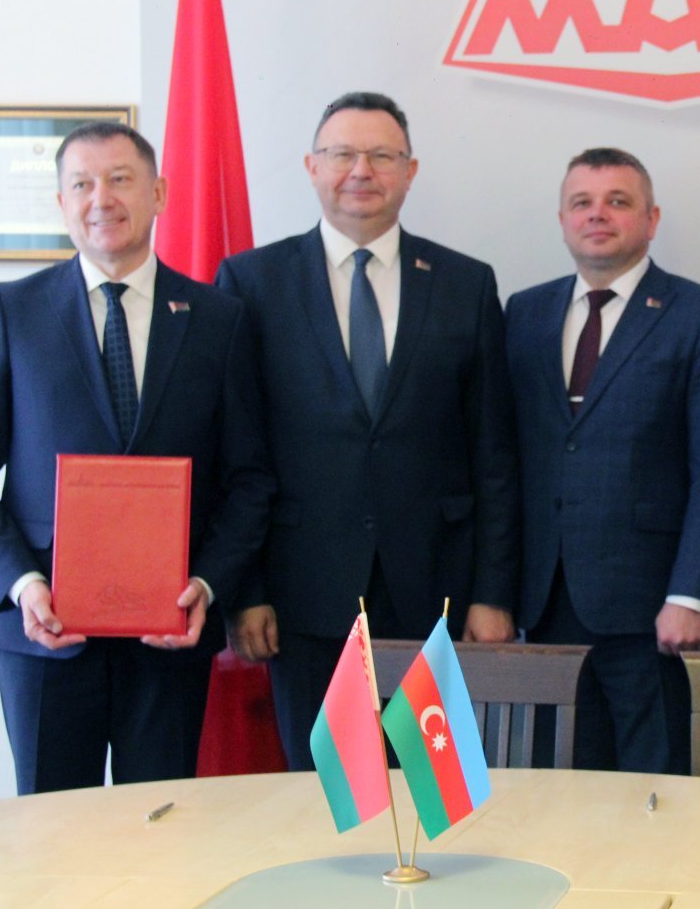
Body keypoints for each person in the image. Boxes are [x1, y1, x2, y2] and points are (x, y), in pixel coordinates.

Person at [0, 122, 273, 794]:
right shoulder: (12, 312)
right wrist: (20, 583)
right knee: (53, 830)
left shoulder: (218, 319)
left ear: (158, 193)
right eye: (82, 184)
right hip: (45, 629)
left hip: (171, 631)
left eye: (120, 179)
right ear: (62, 202)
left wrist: (206, 585)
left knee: (161, 825)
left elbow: (250, 479)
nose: (101, 199)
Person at [215, 91, 520, 770]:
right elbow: (237, 451)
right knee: (328, 796)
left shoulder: (465, 284)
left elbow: (492, 453)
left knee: (434, 796)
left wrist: (493, 593)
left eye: (382, 155)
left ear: (410, 171)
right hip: (301, 595)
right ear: (311, 167)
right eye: (343, 154)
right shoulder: (252, 282)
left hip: (436, 592)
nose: (362, 170)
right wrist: (246, 591)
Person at [506, 146, 700, 775]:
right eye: (581, 202)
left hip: (652, 611)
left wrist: (691, 594)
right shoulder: (524, 312)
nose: (597, 214)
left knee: (654, 789)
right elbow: (506, 459)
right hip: (545, 606)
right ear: (562, 219)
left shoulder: (699, 314)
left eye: (618, 201)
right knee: (555, 786)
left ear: (651, 219)